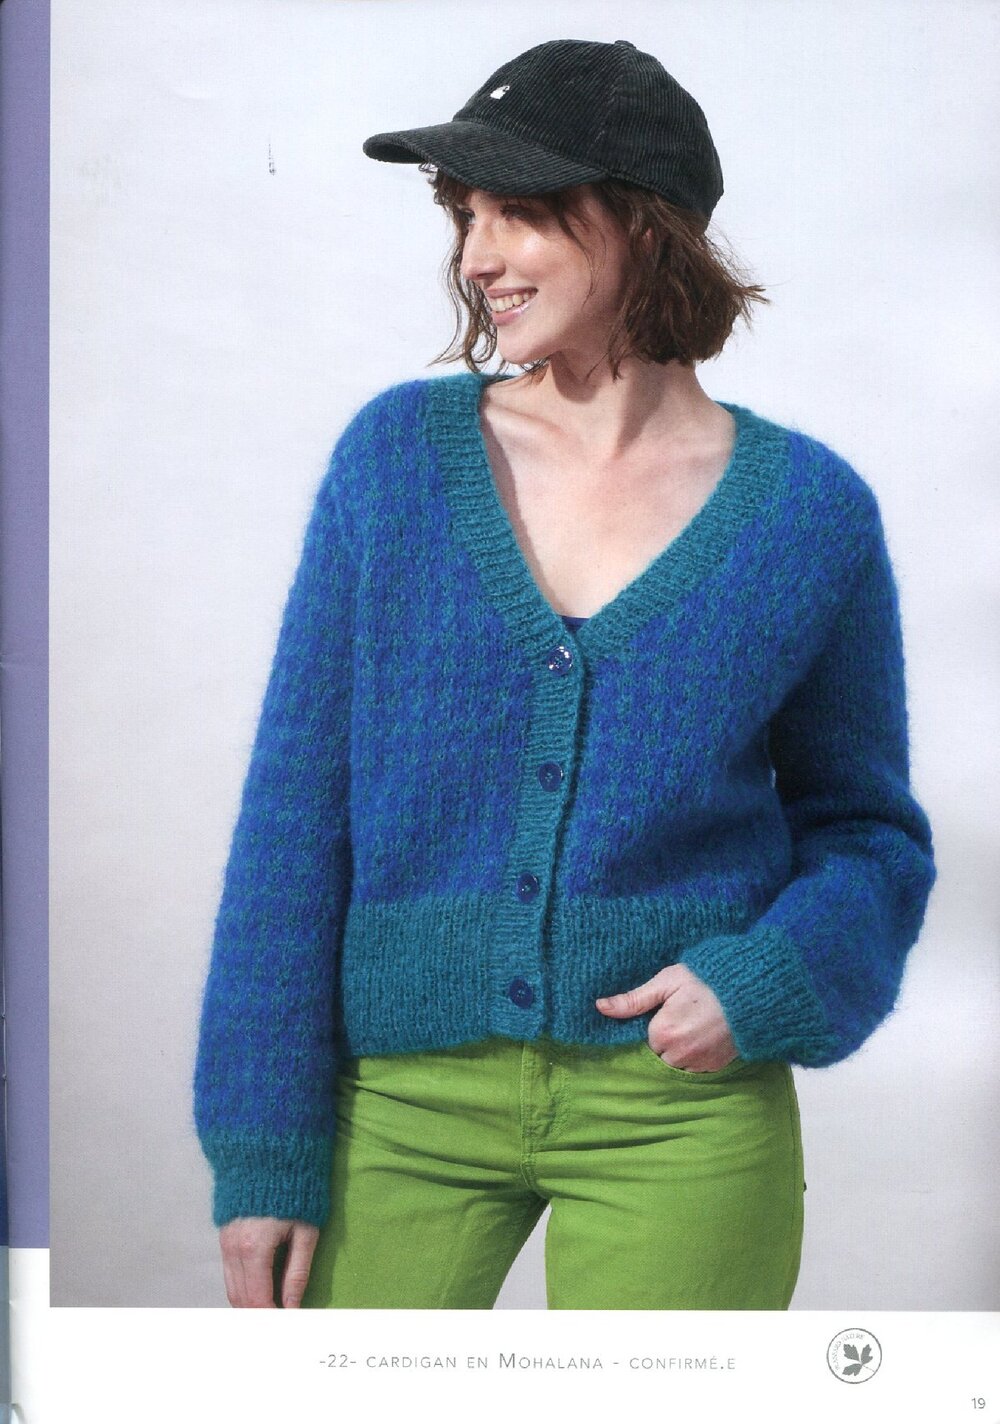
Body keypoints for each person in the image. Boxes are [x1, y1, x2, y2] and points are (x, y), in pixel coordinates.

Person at [192, 38, 937, 1311]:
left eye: (521, 212)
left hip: (677, 1109)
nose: (476, 256)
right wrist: (261, 1142)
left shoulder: (808, 514)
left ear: (645, 225)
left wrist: (763, 977)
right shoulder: (395, 460)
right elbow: (293, 817)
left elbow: (867, 832)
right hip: (399, 1103)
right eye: (466, 214)